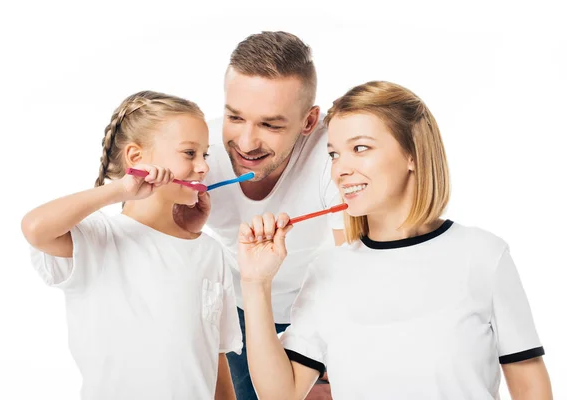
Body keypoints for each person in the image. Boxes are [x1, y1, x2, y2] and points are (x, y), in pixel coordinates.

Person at [237, 81, 553, 399]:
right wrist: (255, 283)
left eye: (360, 148)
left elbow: (530, 387)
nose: (340, 170)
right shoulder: (328, 269)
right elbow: (280, 394)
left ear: (412, 154)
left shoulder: (483, 255)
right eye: (334, 154)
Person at [21, 91, 242, 400]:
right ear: (137, 159)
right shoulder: (99, 238)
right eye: (189, 153)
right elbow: (35, 228)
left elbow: (216, 359)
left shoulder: (210, 252)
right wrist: (120, 189)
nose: (204, 167)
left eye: (205, 155)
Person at [174, 31, 342, 399]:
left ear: (309, 121)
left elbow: (360, 258)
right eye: (235, 117)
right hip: (238, 305)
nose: (247, 143)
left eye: (270, 125)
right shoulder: (200, 154)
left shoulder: (334, 152)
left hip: (316, 305)